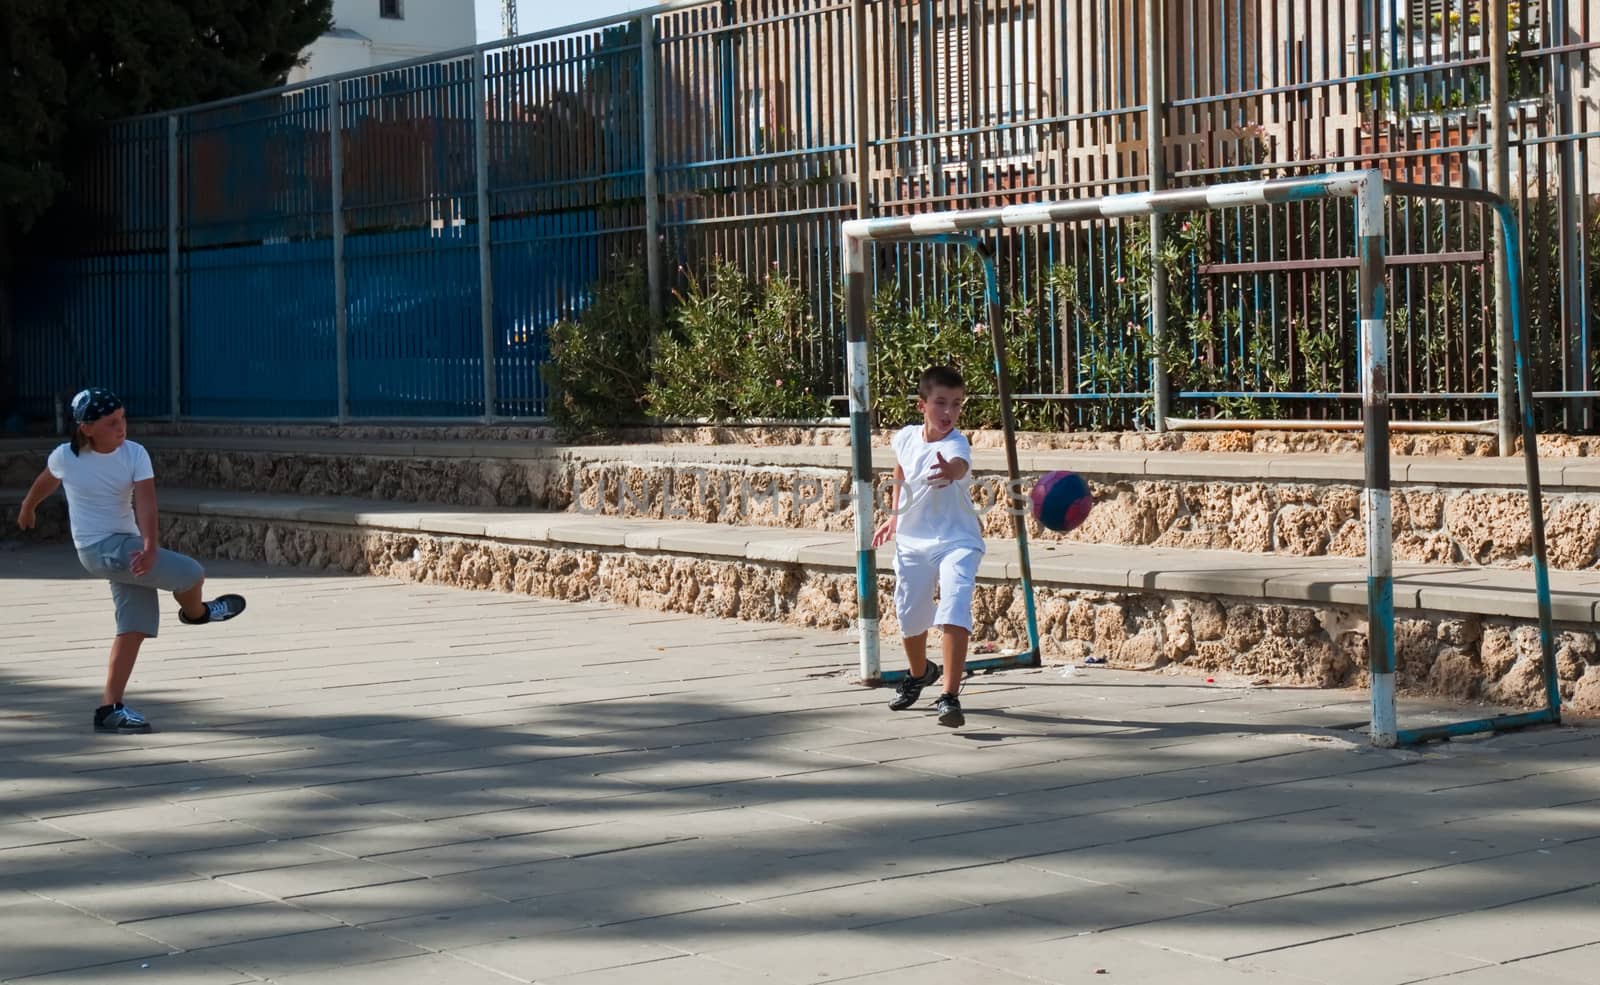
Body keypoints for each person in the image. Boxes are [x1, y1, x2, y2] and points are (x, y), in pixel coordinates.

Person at [15, 388, 245, 733]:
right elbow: (44, 481)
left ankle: (109, 709)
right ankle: (197, 614)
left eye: (123, 419)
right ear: (87, 428)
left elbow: (147, 503)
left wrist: (150, 545)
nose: (121, 428)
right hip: (98, 549)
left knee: (134, 626)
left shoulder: (135, 453)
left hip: (129, 545)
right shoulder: (66, 456)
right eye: (111, 423)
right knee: (191, 574)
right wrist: (27, 506)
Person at [872, 365, 984, 728]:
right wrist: (894, 515)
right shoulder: (905, 437)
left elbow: (958, 464)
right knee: (910, 614)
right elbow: (901, 470)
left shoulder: (956, 444)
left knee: (954, 603)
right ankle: (920, 673)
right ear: (922, 406)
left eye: (956, 404)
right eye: (941, 403)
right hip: (912, 541)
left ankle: (949, 697)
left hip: (958, 540)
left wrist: (951, 472)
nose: (949, 412)